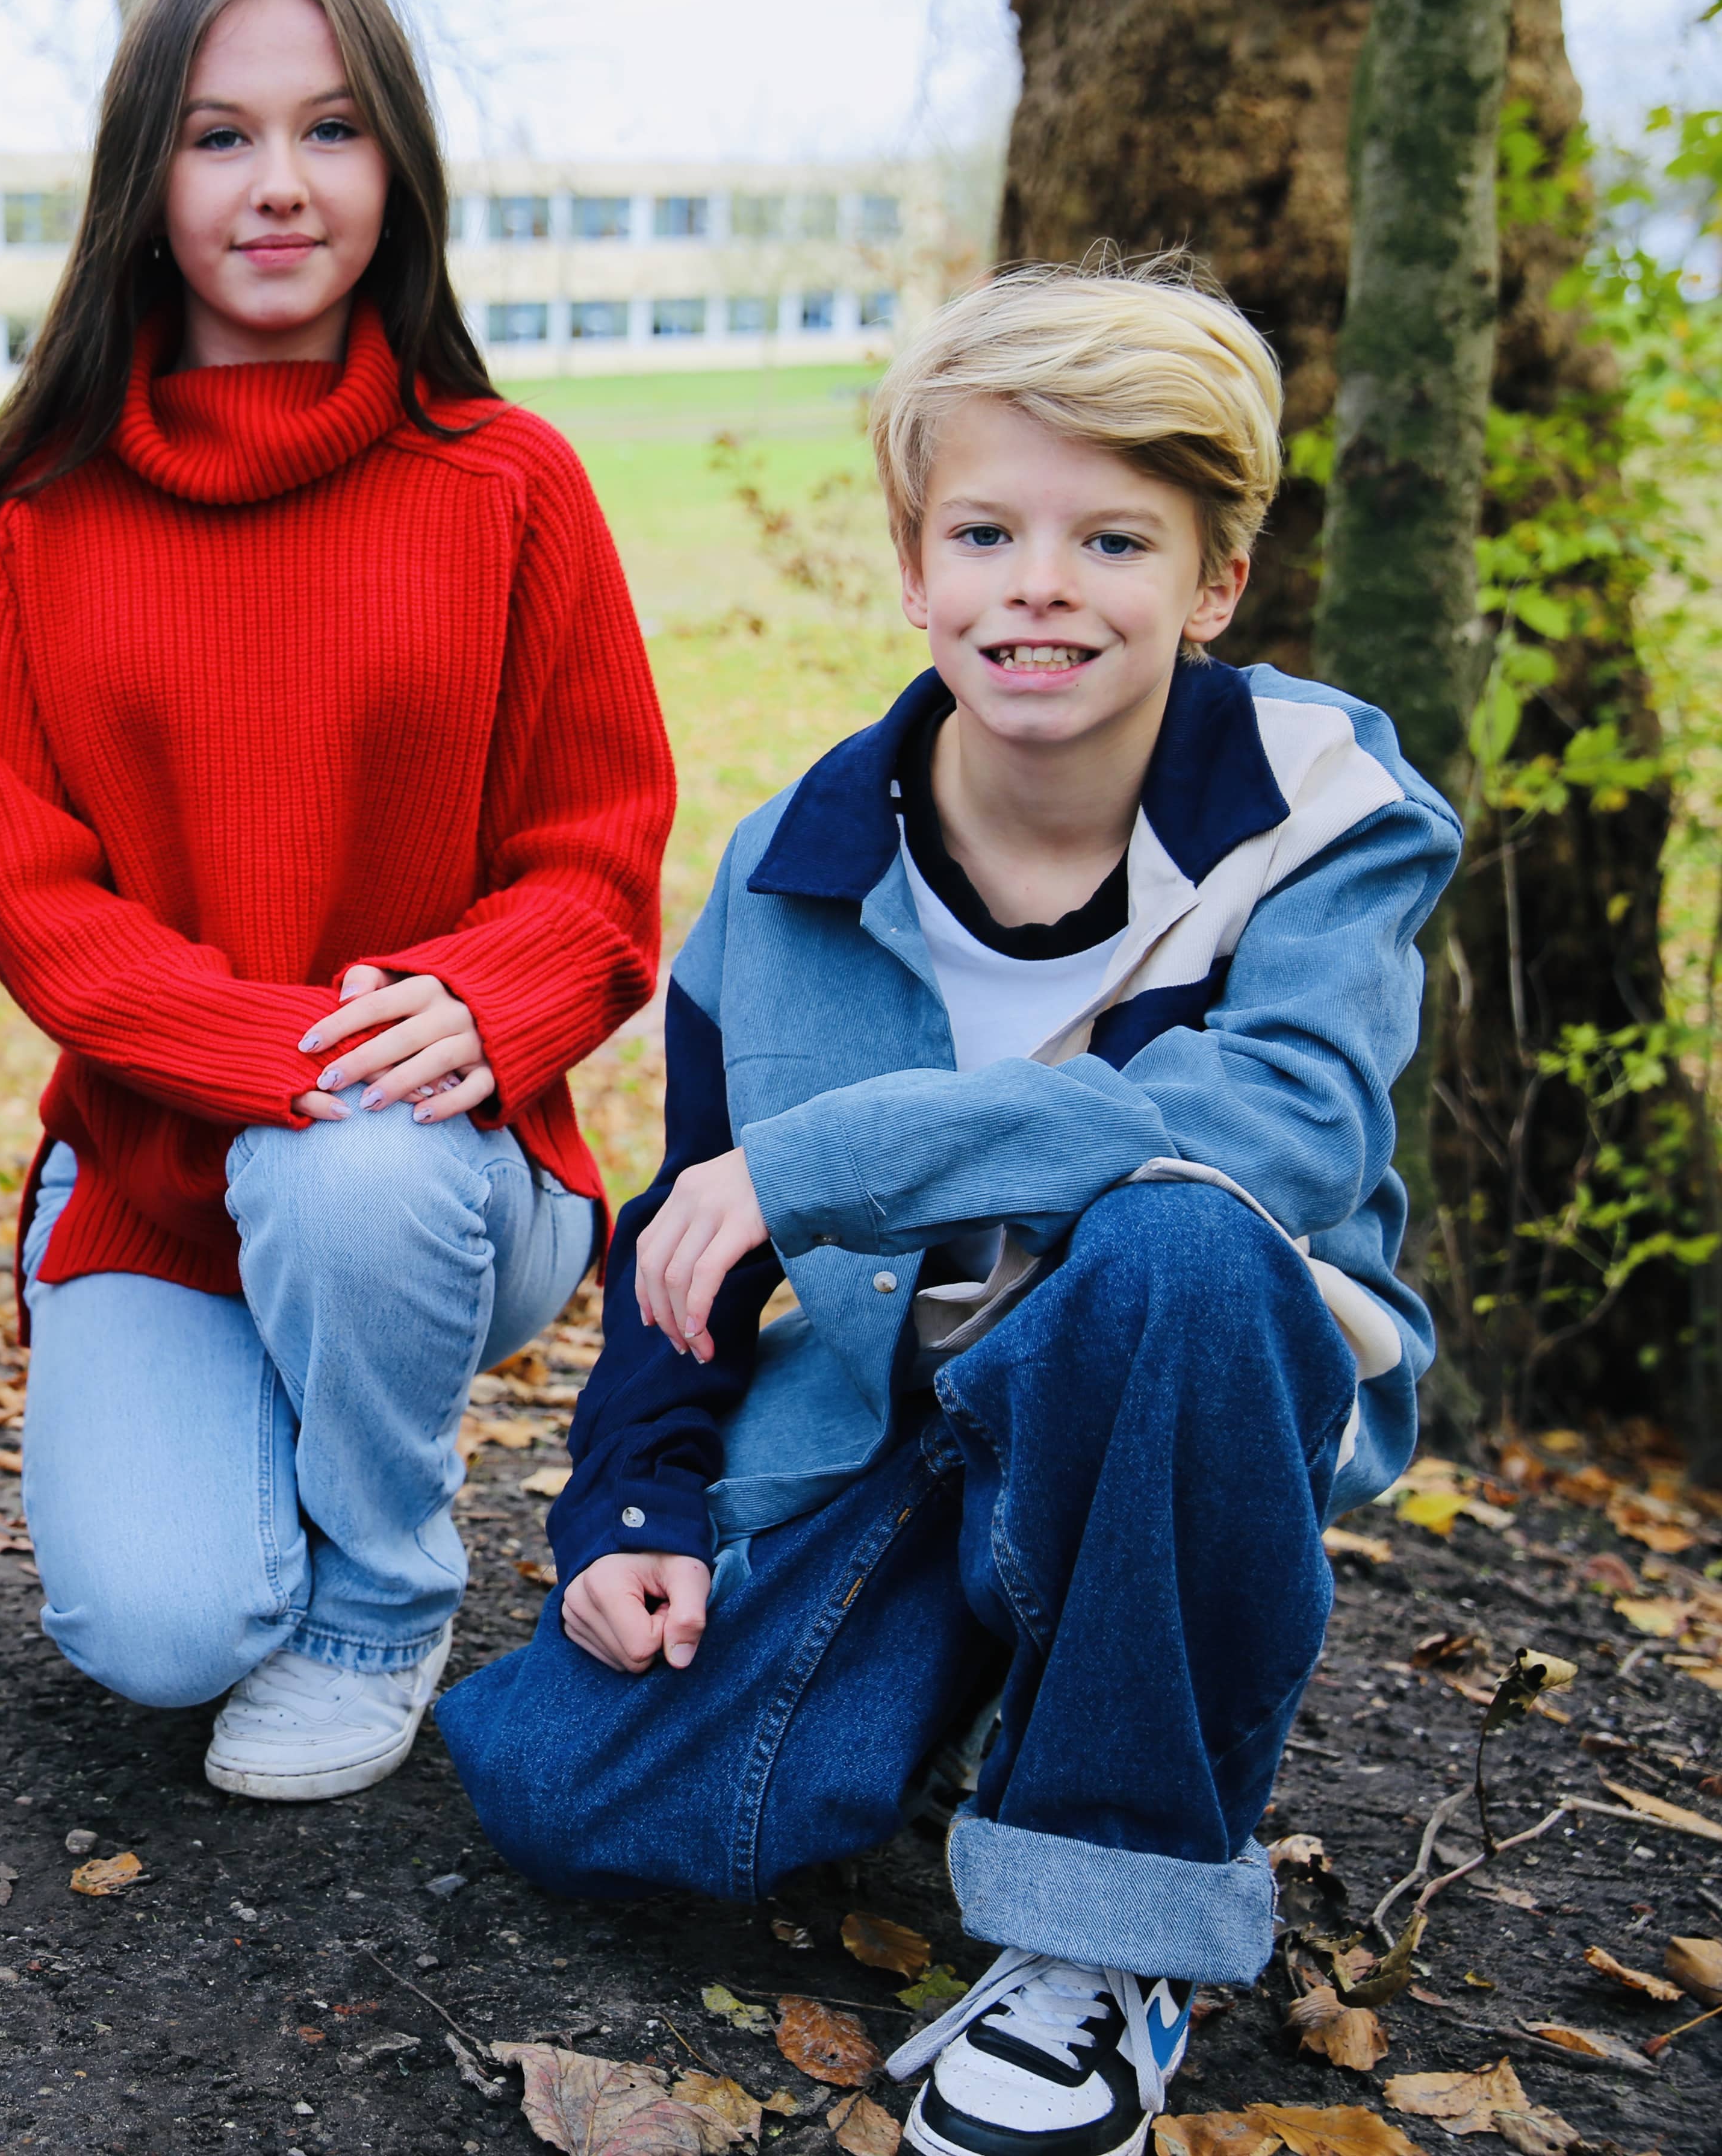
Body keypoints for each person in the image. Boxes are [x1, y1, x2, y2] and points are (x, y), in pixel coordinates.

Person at [436, 255, 1460, 2156]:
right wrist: (634, 1499)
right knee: (575, 1792)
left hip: (1199, 1380)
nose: (1040, 585)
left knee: (1171, 1233)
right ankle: (1004, 1679)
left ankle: (1105, 1939)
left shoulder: (1321, 813)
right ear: (915, 571)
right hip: (906, 1421)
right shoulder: (792, 869)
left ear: (1216, 585)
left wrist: (829, 1163)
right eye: (985, 529)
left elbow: (1280, 1129)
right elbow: (691, 1237)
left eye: (1116, 539)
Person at [0, 0, 674, 1804]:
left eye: (331, 130)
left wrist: (468, 1013)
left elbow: (600, 859)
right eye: (217, 136)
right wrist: (289, 1063)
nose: (279, 185)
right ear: (142, 184)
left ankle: (384, 1592)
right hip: (164, 1169)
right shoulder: (29, 526)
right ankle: (223, 1397)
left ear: (395, 165)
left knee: (345, 1187)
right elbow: (39, 912)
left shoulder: (510, 484)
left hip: (446, 1174)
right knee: (161, 1635)